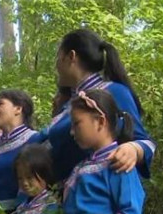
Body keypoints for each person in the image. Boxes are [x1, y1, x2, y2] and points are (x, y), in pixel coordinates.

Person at [48, 28, 155, 182]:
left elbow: (145, 141)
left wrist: (134, 149)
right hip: (68, 197)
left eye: (58, 57)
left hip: (102, 198)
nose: (56, 65)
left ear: (71, 56)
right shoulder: (70, 102)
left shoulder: (114, 92)